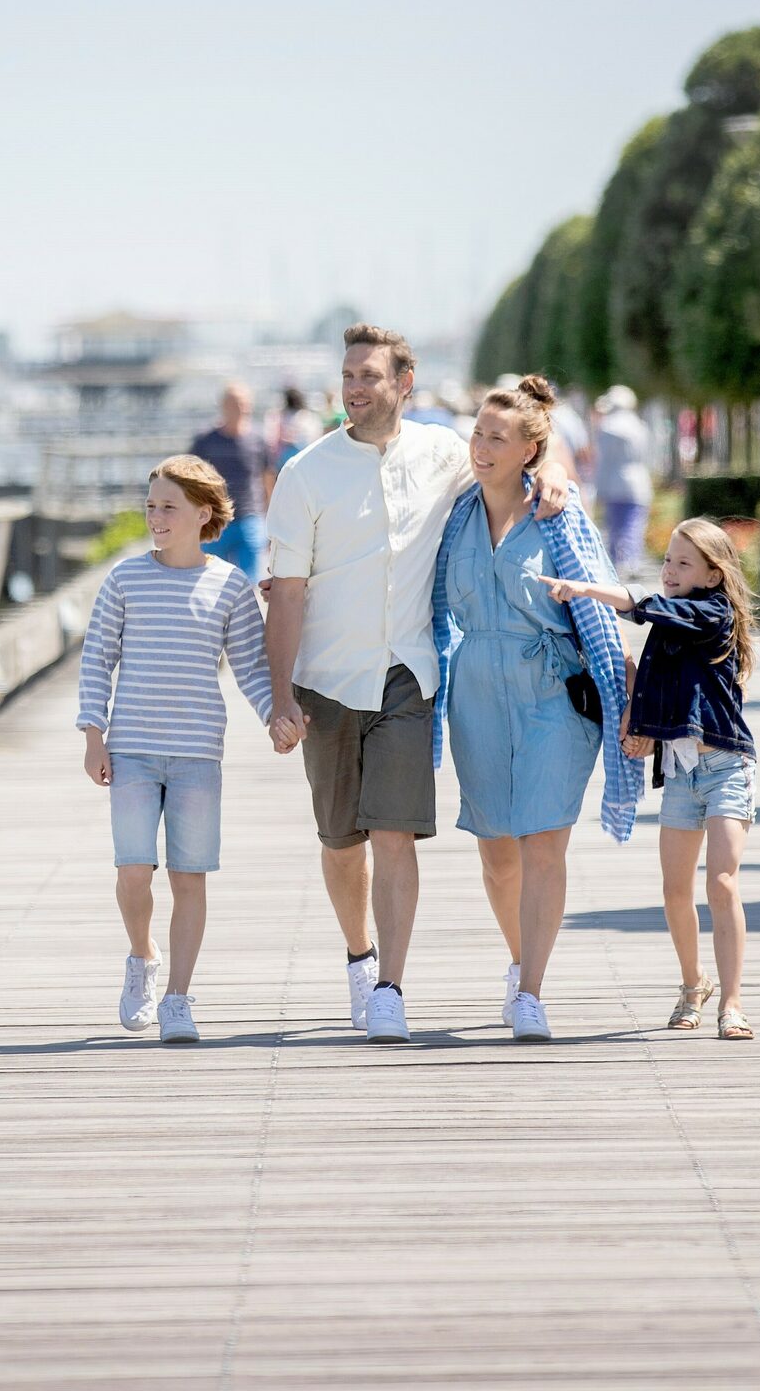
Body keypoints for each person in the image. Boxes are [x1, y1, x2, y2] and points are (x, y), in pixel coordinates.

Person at [264, 324, 572, 1044]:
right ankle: (359, 958)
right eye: (348, 375)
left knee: (394, 834)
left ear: (405, 384)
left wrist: (555, 476)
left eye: (370, 376)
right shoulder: (306, 473)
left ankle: (391, 988)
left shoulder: (442, 454)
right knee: (342, 842)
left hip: (409, 675)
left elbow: (515, 461)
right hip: (327, 681)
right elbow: (284, 592)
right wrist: (280, 697)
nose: (354, 388)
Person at [430, 377, 641, 1043]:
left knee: (543, 841)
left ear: (529, 450)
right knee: (497, 853)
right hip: (476, 693)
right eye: (479, 434)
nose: (483, 447)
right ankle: (518, 958)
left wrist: (628, 687)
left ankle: (531, 993)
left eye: (499, 438)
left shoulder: (560, 512)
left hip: (553, 689)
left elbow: (604, 593)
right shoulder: (454, 510)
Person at [76, 454, 274, 1044]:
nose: (156, 517)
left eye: (169, 507)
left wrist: (276, 718)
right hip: (132, 749)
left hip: (196, 756)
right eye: (151, 506)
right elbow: (97, 658)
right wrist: (93, 734)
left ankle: (178, 999)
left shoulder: (230, 586)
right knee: (134, 873)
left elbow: (251, 668)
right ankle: (142, 957)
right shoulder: (125, 580)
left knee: (191, 877)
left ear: (202, 514)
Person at [540, 517, 759, 1040]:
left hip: (727, 765)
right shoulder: (669, 628)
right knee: (674, 890)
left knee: (722, 882)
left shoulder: (711, 612)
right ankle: (693, 985)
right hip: (682, 772)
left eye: (683, 563)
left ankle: (732, 1002)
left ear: (711, 576)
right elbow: (654, 682)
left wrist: (585, 587)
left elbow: (646, 605)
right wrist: (638, 727)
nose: (669, 571)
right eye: (667, 560)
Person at [192, 384, 271, 580]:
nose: (240, 409)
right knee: (211, 579)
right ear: (223, 406)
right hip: (214, 520)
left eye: (243, 404)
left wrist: (271, 518)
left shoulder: (258, 440)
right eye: (234, 404)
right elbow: (190, 479)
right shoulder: (205, 441)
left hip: (250, 517)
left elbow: (268, 479)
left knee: (247, 582)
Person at [593, 385, 653, 575]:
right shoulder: (640, 426)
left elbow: (603, 461)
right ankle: (632, 561)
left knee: (614, 527)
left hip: (613, 482)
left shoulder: (607, 428)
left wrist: (599, 488)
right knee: (634, 524)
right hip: (638, 480)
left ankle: (615, 563)